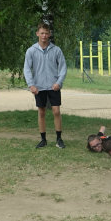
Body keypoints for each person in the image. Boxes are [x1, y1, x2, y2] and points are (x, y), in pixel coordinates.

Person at [24, 21, 67, 149]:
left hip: (54, 86)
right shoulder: (31, 51)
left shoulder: (56, 50)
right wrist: (31, 85)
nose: (44, 36)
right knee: (41, 112)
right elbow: (27, 69)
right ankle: (43, 140)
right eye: (42, 33)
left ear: (49, 34)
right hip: (39, 87)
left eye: (46, 33)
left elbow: (63, 67)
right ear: (37, 34)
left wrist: (59, 82)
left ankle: (59, 139)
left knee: (56, 111)